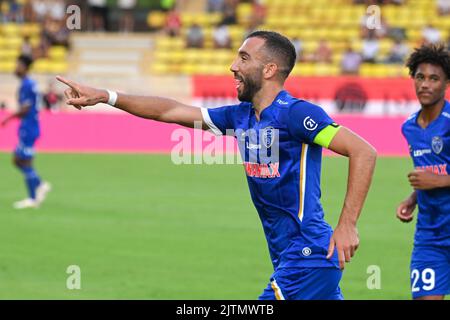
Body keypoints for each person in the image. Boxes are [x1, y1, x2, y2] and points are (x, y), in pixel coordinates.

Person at [56, 31, 377, 300]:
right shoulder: (239, 116)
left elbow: (363, 151)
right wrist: (107, 96)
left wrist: (347, 224)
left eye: (243, 58)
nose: (233, 66)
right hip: (292, 256)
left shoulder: (296, 114)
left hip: (308, 254)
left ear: (269, 69)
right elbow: (170, 111)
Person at [397, 44, 450, 300]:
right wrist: (413, 198)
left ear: (446, 83)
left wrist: (439, 180)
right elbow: (429, 171)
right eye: (420, 77)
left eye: (434, 78)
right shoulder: (409, 127)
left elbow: (437, 176)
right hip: (429, 236)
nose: (425, 84)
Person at [0, 55, 51, 209]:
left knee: (24, 161)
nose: (15, 68)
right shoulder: (28, 84)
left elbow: (25, 109)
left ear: (24, 67)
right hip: (28, 126)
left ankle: (33, 198)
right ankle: (40, 184)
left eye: (18, 65)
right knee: (17, 160)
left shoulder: (27, 85)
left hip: (29, 127)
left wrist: (7, 119)